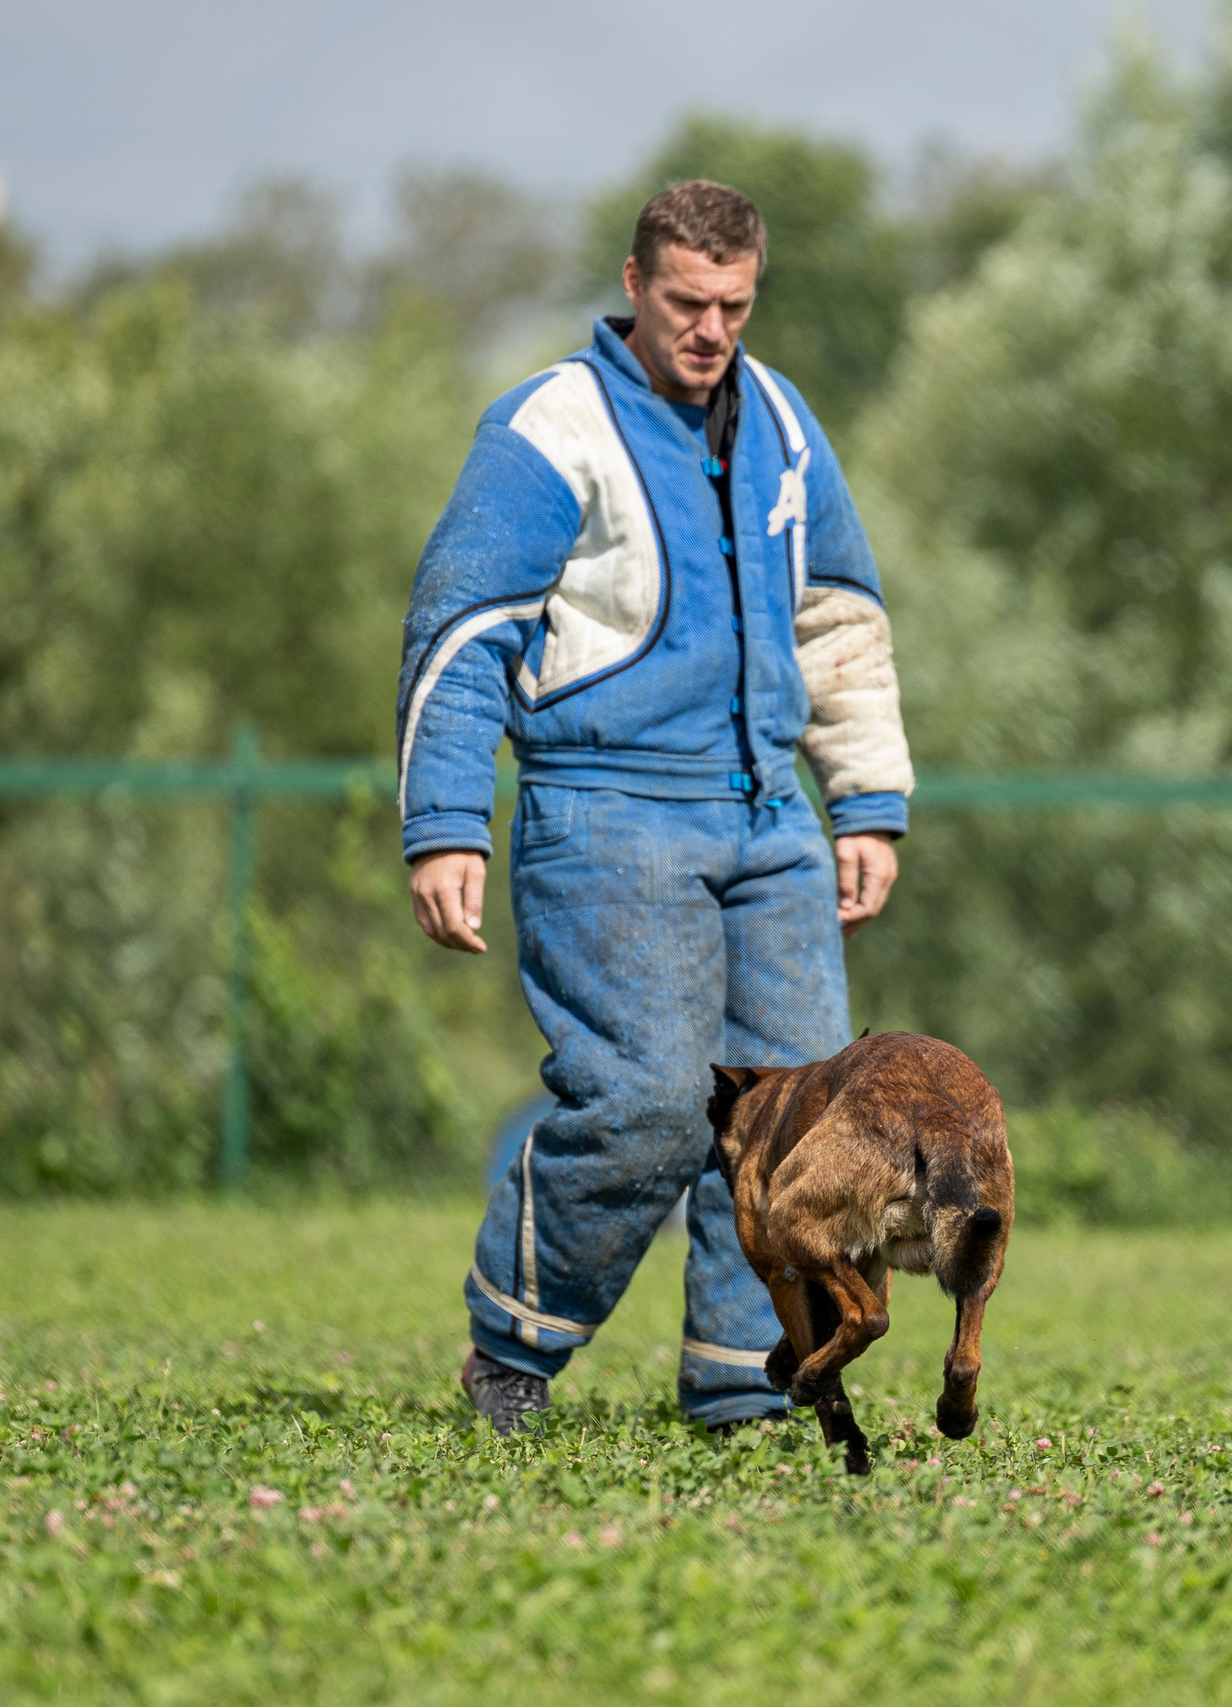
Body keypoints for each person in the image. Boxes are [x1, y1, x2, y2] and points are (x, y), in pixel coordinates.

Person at [396, 180, 914, 1434]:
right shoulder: (547, 428)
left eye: (734, 304)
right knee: (645, 1108)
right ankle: (512, 1344)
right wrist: (447, 823)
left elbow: (837, 614)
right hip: (603, 814)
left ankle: (753, 1380)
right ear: (634, 286)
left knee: (798, 1125)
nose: (710, 329)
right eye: (686, 302)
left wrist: (866, 801)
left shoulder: (785, 422)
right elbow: (461, 631)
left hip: (767, 819)